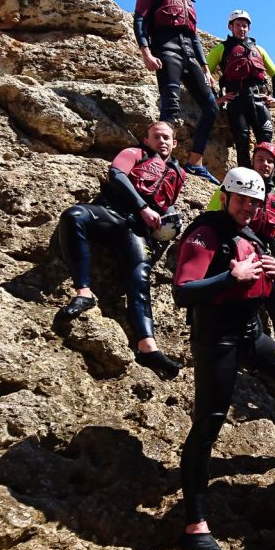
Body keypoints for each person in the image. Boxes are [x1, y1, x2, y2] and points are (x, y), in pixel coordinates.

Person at [173, 167, 275, 550]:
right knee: (209, 423)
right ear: (226, 196)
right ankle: (195, 525)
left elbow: (267, 289)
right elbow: (183, 292)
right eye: (242, 199)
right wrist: (231, 278)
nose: (248, 207)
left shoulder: (252, 237)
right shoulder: (205, 234)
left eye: (254, 202)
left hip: (251, 333)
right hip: (217, 338)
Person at [58, 121, 184, 379]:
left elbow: (165, 203)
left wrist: (170, 221)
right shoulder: (134, 153)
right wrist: (141, 207)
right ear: (147, 140)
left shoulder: (176, 173)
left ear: (174, 143)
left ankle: (147, 347)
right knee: (74, 216)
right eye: (156, 137)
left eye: (167, 138)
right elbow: (117, 175)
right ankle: (84, 292)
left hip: (136, 230)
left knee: (140, 277)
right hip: (111, 212)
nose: (162, 141)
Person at [204, 142, 275, 387]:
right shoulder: (233, 186)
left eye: (270, 161)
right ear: (252, 161)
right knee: (249, 311)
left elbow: (273, 228)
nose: (265, 164)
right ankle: (256, 365)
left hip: (262, 255)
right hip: (234, 255)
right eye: (260, 159)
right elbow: (213, 219)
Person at [133, 0, 220, 184]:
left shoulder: (187, 0)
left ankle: (195, 162)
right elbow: (139, 20)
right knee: (171, 106)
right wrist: (146, 52)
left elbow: (194, 37)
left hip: (190, 56)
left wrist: (206, 69)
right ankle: (159, 161)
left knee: (212, 107)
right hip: (166, 51)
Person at [206, 9, 275, 167]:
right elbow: (203, 73)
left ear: (249, 28)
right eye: (238, 25)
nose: (242, 28)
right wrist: (216, 99)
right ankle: (245, 180)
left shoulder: (259, 50)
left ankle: (264, 180)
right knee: (241, 140)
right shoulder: (221, 49)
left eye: (245, 26)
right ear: (230, 27)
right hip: (237, 102)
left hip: (260, 101)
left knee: (266, 141)